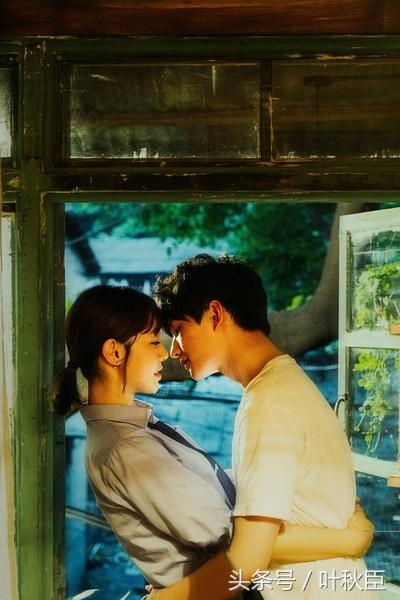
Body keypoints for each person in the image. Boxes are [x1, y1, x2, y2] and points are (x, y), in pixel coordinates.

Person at [53, 284, 374, 599]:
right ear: (114, 352)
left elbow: (216, 490)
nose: (166, 352)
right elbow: (237, 541)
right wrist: (349, 539)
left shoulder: (135, 431)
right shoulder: (125, 448)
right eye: (153, 342)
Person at [150, 254, 378, 600]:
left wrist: (163, 598)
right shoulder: (282, 384)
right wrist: (351, 539)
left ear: (215, 314)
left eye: (179, 331)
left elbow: (247, 559)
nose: (174, 351)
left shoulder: (269, 402)